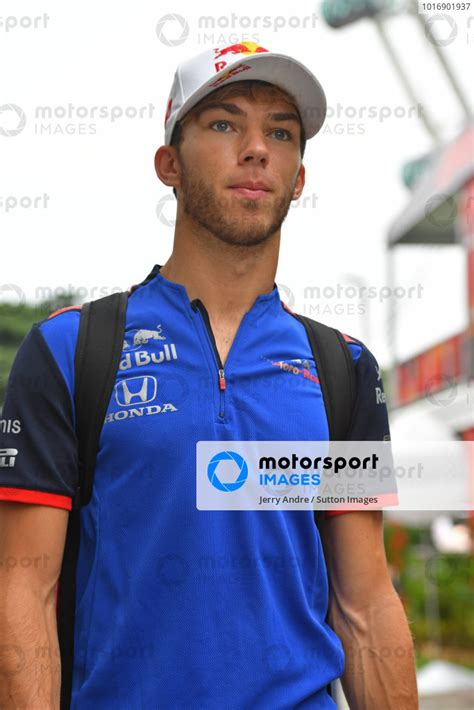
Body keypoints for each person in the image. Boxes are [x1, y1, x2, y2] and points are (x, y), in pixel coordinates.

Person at [0, 42, 418, 708]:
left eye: (281, 132)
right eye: (225, 124)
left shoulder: (345, 367)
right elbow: (26, 591)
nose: (256, 149)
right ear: (169, 163)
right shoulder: (71, 349)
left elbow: (365, 604)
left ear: (299, 178)